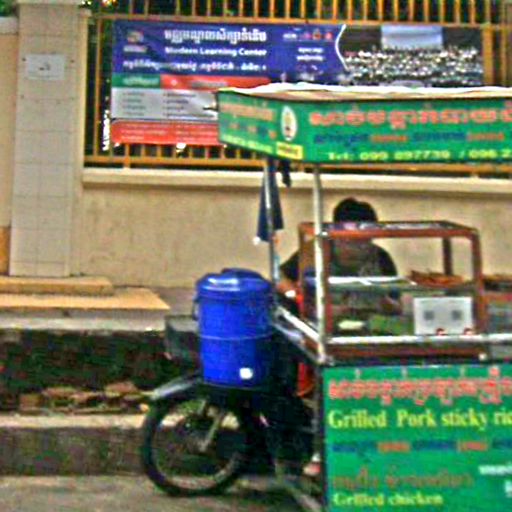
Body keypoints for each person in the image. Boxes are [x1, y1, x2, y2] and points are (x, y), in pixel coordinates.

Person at [277, 198, 399, 479]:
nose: (360, 247)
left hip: (365, 335)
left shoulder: (380, 259)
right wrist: (297, 295)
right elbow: (280, 277)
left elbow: (396, 304)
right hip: (322, 333)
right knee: (324, 379)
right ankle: (318, 451)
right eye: (352, 241)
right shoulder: (316, 252)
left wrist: (384, 302)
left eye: (366, 240)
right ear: (338, 233)